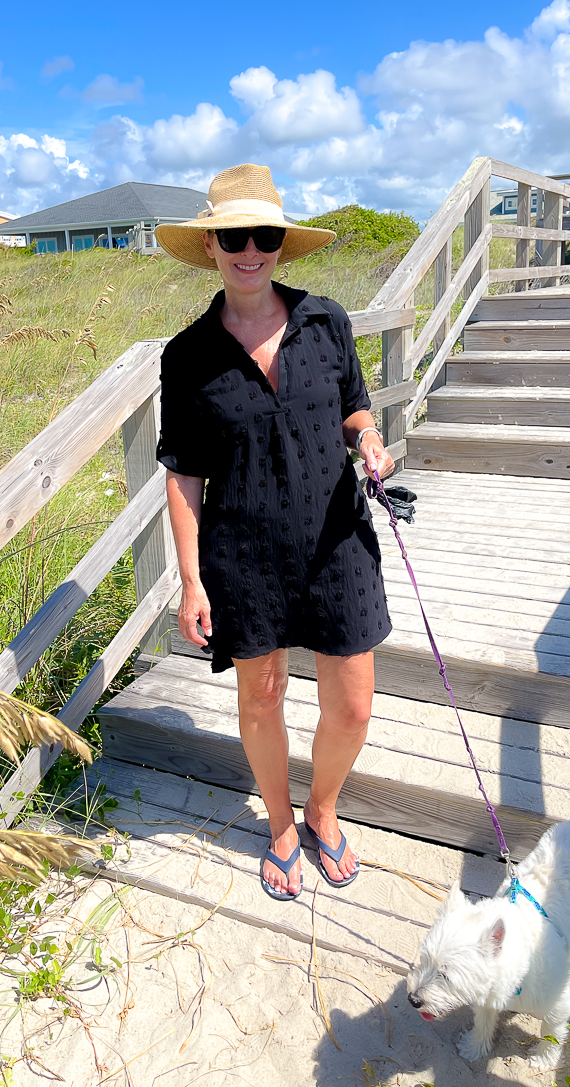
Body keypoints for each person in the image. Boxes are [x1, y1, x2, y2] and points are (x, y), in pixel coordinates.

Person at [155, 164, 394, 902]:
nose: (250, 249)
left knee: (352, 704)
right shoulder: (187, 356)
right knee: (261, 700)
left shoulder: (327, 321)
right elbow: (184, 475)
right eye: (235, 235)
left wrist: (370, 440)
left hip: (335, 539)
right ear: (213, 246)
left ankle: (323, 807)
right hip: (244, 554)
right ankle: (283, 825)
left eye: (264, 235)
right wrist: (191, 581)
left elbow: (355, 407)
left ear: (283, 244)